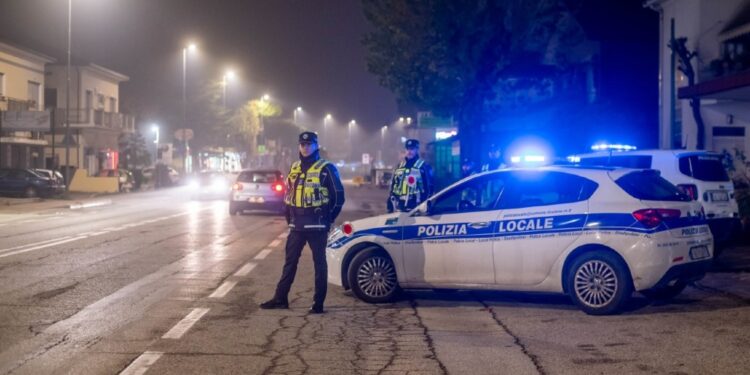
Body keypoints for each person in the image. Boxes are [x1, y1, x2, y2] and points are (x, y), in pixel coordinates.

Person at [260, 131, 345, 314]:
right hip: (297, 226)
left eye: (309, 144)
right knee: (289, 263)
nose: (305, 147)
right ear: (299, 146)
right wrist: (288, 217)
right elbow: (288, 195)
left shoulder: (326, 168)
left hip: (317, 225)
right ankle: (280, 299)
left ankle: (318, 304)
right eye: (302, 144)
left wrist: (329, 218)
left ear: (316, 146)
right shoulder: (295, 167)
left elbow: (338, 197)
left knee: (319, 265)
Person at [387, 139, 434, 213]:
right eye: (407, 149)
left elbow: (430, 187)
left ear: (417, 150)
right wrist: (390, 200)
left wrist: (426, 203)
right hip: (400, 206)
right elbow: (393, 185)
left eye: (412, 149)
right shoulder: (399, 166)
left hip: (417, 206)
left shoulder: (423, 166)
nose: (409, 151)